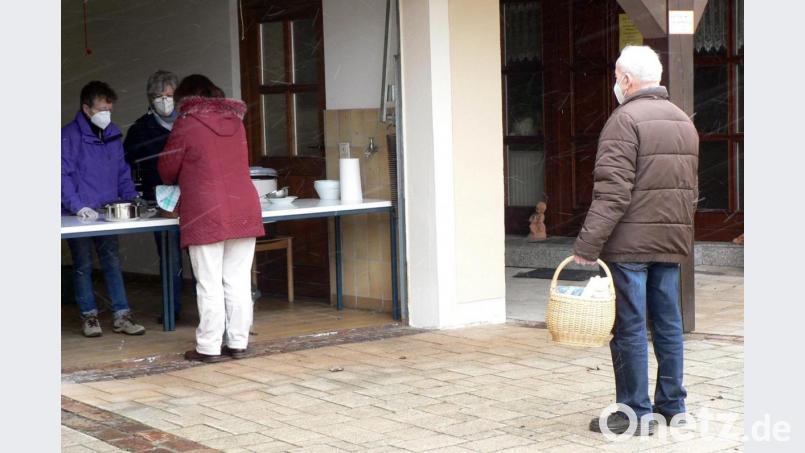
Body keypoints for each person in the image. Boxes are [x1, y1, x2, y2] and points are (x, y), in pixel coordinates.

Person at [571, 45, 699, 436]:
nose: (615, 83)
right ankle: (672, 407)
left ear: (626, 79)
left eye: (616, 76)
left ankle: (634, 414)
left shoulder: (624, 120)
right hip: (670, 240)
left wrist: (587, 246)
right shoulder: (682, 120)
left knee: (628, 328)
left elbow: (613, 191)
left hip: (629, 246)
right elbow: (688, 189)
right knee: (668, 325)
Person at [158, 75, 265, 363]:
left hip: (206, 210)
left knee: (209, 283)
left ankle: (208, 347)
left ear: (186, 98)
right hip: (243, 207)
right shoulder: (236, 122)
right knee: (238, 281)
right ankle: (238, 343)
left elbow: (167, 168)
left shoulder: (187, 122)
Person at [62, 81, 147, 337]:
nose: (107, 114)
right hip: (80, 215)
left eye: (109, 108)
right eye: (102, 108)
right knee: (83, 264)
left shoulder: (112, 134)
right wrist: (77, 206)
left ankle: (122, 315)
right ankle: (89, 317)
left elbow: (122, 171)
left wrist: (132, 198)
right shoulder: (68, 136)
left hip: (107, 213)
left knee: (111, 262)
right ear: (86, 108)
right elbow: (61, 175)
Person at [124, 70, 186, 323]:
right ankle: (172, 309)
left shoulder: (188, 123)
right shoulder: (141, 129)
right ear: (150, 99)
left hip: (193, 196)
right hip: (161, 200)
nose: (164, 101)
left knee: (201, 255)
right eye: (159, 96)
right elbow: (128, 163)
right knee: (169, 257)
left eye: (169, 95)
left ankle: (208, 309)